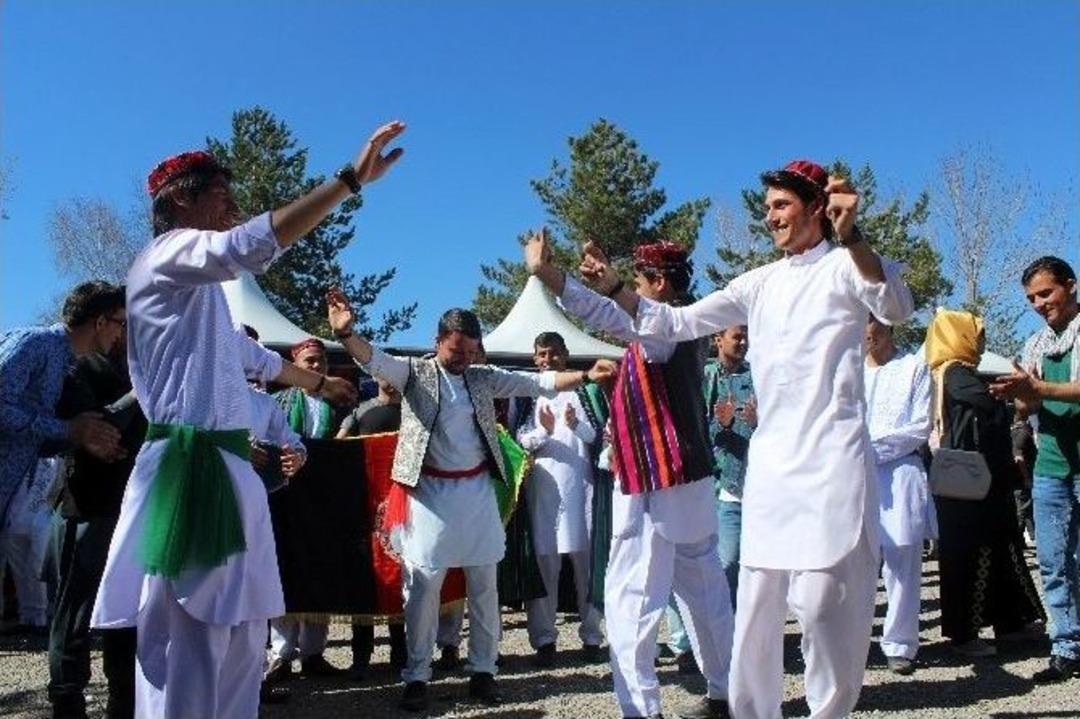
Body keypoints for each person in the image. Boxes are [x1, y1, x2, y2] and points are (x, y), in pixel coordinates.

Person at [530, 159, 914, 718]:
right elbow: (675, 322)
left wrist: (853, 237)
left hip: (832, 459)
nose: (771, 217)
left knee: (821, 602)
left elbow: (896, 305)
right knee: (756, 608)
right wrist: (609, 285)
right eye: (767, 208)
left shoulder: (846, 265)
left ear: (815, 207)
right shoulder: (758, 283)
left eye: (781, 205)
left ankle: (828, 711)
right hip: (772, 467)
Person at [90, 121, 403, 719]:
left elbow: (245, 356)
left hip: (228, 473)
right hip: (190, 475)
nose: (232, 208)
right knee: (191, 640)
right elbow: (247, 247)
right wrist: (348, 181)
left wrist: (319, 384)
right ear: (181, 200)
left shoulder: (199, 296)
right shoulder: (166, 255)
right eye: (222, 196)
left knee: (241, 640)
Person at [327, 292, 613, 712]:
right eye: (455, 350)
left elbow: (537, 382)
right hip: (428, 495)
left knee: (484, 588)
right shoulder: (413, 372)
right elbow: (373, 360)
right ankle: (417, 676)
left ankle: (483, 671)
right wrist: (346, 334)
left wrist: (586, 375)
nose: (463, 358)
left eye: (470, 351)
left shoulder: (483, 377)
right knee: (423, 590)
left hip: (477, 493)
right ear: (438, 341)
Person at [528, 236, 734, 719]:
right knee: (705, 592)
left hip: (655, 482)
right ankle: (727, 693)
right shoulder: (679, 325)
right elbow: (607, 312)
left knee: (632, 597)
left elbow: (606, 312)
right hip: (688, 481)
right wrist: (558, 278)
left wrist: (550, 274)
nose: (633, 292)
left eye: (639, 282)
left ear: (658, 284)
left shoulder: (663, 330)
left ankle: (643, 710)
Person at [927, 310, 1045, 658]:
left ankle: (1010, 622)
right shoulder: (954, 373)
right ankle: (964, 634)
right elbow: (988, 403)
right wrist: (1018, 393)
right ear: (959, 336)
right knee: (969, 554)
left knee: (1000, 548)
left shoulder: (960, 374)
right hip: (968, 486)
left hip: (983, 483)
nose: (981, 344)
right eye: (976, 336)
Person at [989, 256, 1080, 682]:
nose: (1039, 304)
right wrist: (1017, 393)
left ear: (1070, 285)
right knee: (1053, 562)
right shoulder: (1035, 345)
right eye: (1031, 299)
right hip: (1051, 465)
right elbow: (1029, 407)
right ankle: (1066, 648)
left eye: (1046, 293)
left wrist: (1038, 387)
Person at [46, 340, 144, 719]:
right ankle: (67, 700)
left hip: (133, 506)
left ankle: (124, 699)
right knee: (75, 608)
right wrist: (139, 392)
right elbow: (96, 425)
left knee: (126, 608)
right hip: (85, 506)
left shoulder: (142, 368)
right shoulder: (83, 366)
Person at [665, 325, 755, 673]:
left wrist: (753, 422)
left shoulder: (756, 377)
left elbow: (772, 425)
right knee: (694, 563)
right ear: (718, 339)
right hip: (704, 484)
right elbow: (691, 427)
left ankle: (729, 638)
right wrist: (721, 425)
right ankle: (690, 642)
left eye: (746, 336)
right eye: (736, 335)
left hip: (745, 484)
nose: (743, 341)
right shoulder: (701, 377)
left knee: (734, 564)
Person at [1, 281, 126, 525]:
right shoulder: (37, 343)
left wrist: (81, 438)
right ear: (101, 322)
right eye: (121, 323)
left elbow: (31, 439)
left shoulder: (65, 364)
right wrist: (67, 429)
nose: (121, 334)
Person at [516, 331, 605, 666]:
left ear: (566, 354)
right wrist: (545, 431)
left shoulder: (584, 391)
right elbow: (520, 440)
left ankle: (592, 637)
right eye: (542, 354)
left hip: (582, 489)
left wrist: (576, 425)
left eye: (554, 352)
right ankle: (544, 640)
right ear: (534, 358)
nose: (548, 359)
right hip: (544, 493)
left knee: (587, 567)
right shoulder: (529, 393)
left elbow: (599, 437)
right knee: (545, 565)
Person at [265, 337, 348, 682]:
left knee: (319, 570)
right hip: (286, 499)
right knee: (285, 571)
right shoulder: (277, 404)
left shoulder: (339, 405)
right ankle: (281, 654)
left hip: (324, 501)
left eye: (321, 362)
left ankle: (314, 653)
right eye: (309, 362)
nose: (316, 367)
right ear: (295, 365)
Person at [864, 315, 933, 675]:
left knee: (902, 563)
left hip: (900, 473)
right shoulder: (847, 370)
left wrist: (868, 449)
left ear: (888, 325)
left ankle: (900, 643)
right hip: (853, 477)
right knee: (856, 563)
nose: (864, 331)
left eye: (870, 322)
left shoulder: (913, 367)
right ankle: (853, 641)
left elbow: (919, 427)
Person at [337, 377, 409, 678]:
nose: (390, 381)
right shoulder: (360, 411)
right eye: (385, 375)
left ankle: (401, 654)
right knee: (364, 579)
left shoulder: (413, 411)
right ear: (376, 377)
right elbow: (338, 446)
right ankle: (360, 657)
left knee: (400, 576)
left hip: (403, 504)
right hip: (364, 505)